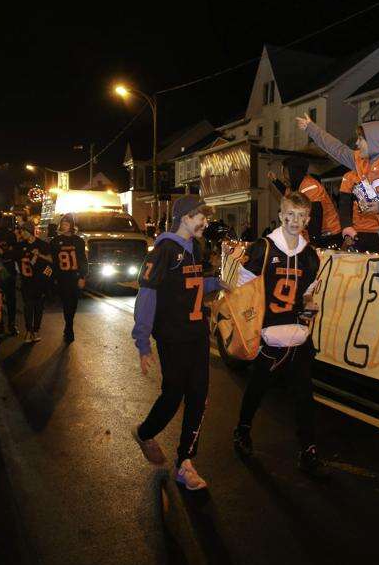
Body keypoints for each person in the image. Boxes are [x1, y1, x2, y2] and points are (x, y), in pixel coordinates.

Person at [131, 195, 229, 490]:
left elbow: (192, 284)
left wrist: (215, 284)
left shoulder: (195, 249)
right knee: (173, 393)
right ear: (184, 217)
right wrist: (142, 342)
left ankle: (185, 462)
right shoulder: (163, 251)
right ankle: (145, 432)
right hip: (172, 337)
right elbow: (146, 296)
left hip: (197, 335)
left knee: (199, 396)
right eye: (201, 216)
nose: (205, 222)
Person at [232, 191, 322, 472]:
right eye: (290, 214)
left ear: (308, 219)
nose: (295, 220)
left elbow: (306, 294)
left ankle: (308, 449)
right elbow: (244, 290)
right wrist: (253, 329)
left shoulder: (309, 255)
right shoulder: (264, 248)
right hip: (268, 331)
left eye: (301, 215)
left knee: (304, 393)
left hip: (296, 332)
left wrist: (309, 308)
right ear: (282, 216)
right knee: (258, 387)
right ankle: (242, 430)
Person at [297, 115, 379, 256]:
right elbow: (337, 149)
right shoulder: (361, 163)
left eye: (361, 139)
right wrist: (311, 128)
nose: (357, 143)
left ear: (373, 141)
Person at [268, 157, 342, 247]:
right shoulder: (296, 187)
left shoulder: (311, 187)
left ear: (294, 172)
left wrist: (314, 244)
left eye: (286, 173)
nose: (284, 177)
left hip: (328, 236)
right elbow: (287, 193)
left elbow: (315, 217)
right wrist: (276, 181)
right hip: (315, 237)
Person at [50, 215, 87, 343]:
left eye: (67, 224)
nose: (64, 226)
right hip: (63, 277)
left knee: (74, 303)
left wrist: (82, 276)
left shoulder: (78, 241)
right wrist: (53, 278)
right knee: (66, 303)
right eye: (63, 224)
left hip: (75, 276)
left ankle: (69, 325)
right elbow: (53, 261)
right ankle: (69, 327)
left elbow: (83, 260)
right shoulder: (55, 241)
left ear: (71, 225)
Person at [17, 221, 53, 343]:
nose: (21, 233)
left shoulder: (43, 245)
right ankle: (28, 330)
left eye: (23, 231)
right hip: (27, 282)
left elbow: (52, 261)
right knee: (28, 307)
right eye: (20, 231)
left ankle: (36, 331)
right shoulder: (20, 245)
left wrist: (39, 255)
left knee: (38, 307)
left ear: (29, 231)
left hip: (40, 282)